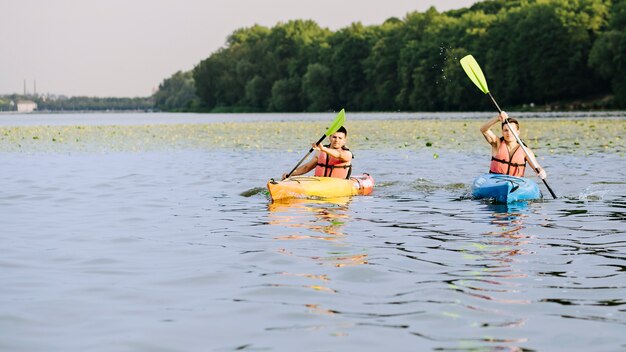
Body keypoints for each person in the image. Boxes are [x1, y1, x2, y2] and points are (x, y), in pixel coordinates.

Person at [480, 111, 547, 179]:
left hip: (515, 182)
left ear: (518, 132)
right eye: (506, 130)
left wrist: (541, 171)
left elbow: (536, 167)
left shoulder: (526, 151)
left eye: (512, 130)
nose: (509, 133)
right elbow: (483, 130)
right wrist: (498, 119)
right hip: (495, 180)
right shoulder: (497, 143)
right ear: (502, 132)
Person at [282, 126, 353, 180]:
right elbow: (306, 167)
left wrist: (323, 149)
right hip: (319, 182)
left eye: (340, 138)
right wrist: (290, 174)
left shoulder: (347, 154)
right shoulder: (320, 152)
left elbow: (339, 155)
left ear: (344, 140)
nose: (336, 140)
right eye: (334, 137)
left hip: (338, 184)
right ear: (330, 137)